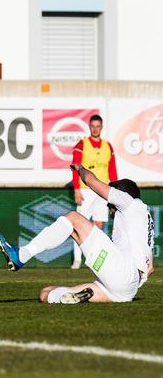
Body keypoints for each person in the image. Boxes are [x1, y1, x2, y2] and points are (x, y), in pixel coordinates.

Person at [0, 164, 153, 304]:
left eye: (111, 203)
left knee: (73, 218)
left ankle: (21, 255)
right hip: (127, 291)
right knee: (46, 294)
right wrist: (126, 283)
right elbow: (150, 268)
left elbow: (91, 182)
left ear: (122, 193)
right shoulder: (146, 220)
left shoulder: (127, 201)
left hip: (122, 272)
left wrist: (80, 169)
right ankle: (71, 299)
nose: (109, 206)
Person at [70, 114, 118, 269]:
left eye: (98, 126)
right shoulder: (82, 144)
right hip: (86, 189)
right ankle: (77, 259)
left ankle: (91, 257)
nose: (95, 129)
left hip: (103, 190)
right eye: (93, 126)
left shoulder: (107, 146)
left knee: (99, 224)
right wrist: (77, 189)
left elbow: (112, 170)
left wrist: (115, 189)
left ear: (102, 127)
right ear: (89, 127)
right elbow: (75, 167)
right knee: (79, 223)